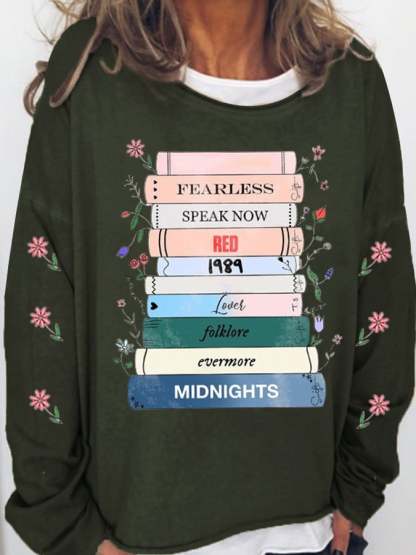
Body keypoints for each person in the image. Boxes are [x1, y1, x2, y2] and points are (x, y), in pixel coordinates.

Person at [4, 1, 415, 555]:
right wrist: (71, 531)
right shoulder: (92, 76)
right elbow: (40, 312)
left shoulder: (352, 85)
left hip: (306, 533)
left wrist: (357, 493)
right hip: (134, 539)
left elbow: (384, 300)